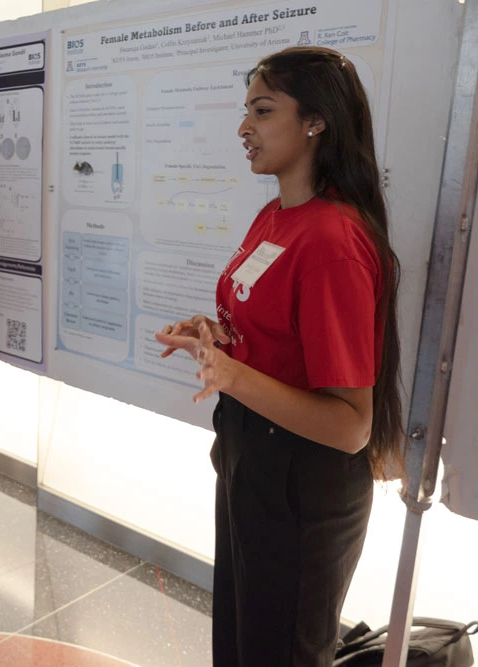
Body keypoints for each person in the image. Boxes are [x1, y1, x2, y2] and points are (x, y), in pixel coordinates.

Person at [155, 47, 404, 667]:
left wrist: (231, 372)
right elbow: (278, 338)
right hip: (252, 462)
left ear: (316, 121)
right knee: (241, 646)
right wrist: (218, 334)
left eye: (262, 112)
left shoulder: (331, 240)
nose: (245, 128)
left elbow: (351, 427)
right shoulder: (275, 216)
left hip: (303, 487)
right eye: (247, 112)